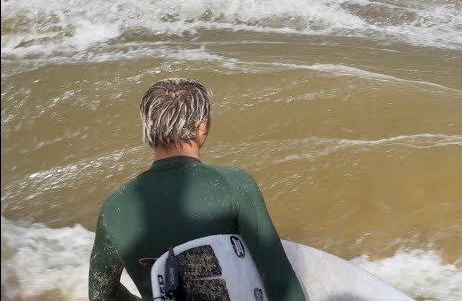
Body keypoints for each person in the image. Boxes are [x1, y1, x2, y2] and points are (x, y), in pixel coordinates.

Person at [88, 78, 305, 301]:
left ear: (149, 128)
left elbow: (101, 295)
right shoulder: (235, 184)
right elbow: (279, 280)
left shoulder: (114, 207)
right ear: (202, 126)